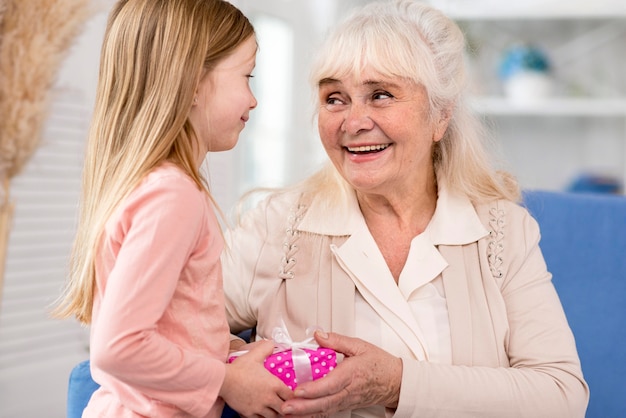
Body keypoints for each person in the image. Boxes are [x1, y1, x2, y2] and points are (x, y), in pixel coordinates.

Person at [222, 0, 589, 417]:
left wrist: (397, 383)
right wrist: (228, 363)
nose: (353, 122)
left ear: (440, 115)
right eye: (334, 98)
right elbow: (154, 329)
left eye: (380, 95)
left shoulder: (503, 229)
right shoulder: (278, 225)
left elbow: (561, 396)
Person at [52, 0, 293, 416]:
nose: (253, 100)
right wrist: (227, 380)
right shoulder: (173, 195)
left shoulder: (156, 186)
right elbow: (118, 347)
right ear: (195, 82)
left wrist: (223, 349)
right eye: (247, 76)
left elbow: (169, 324)